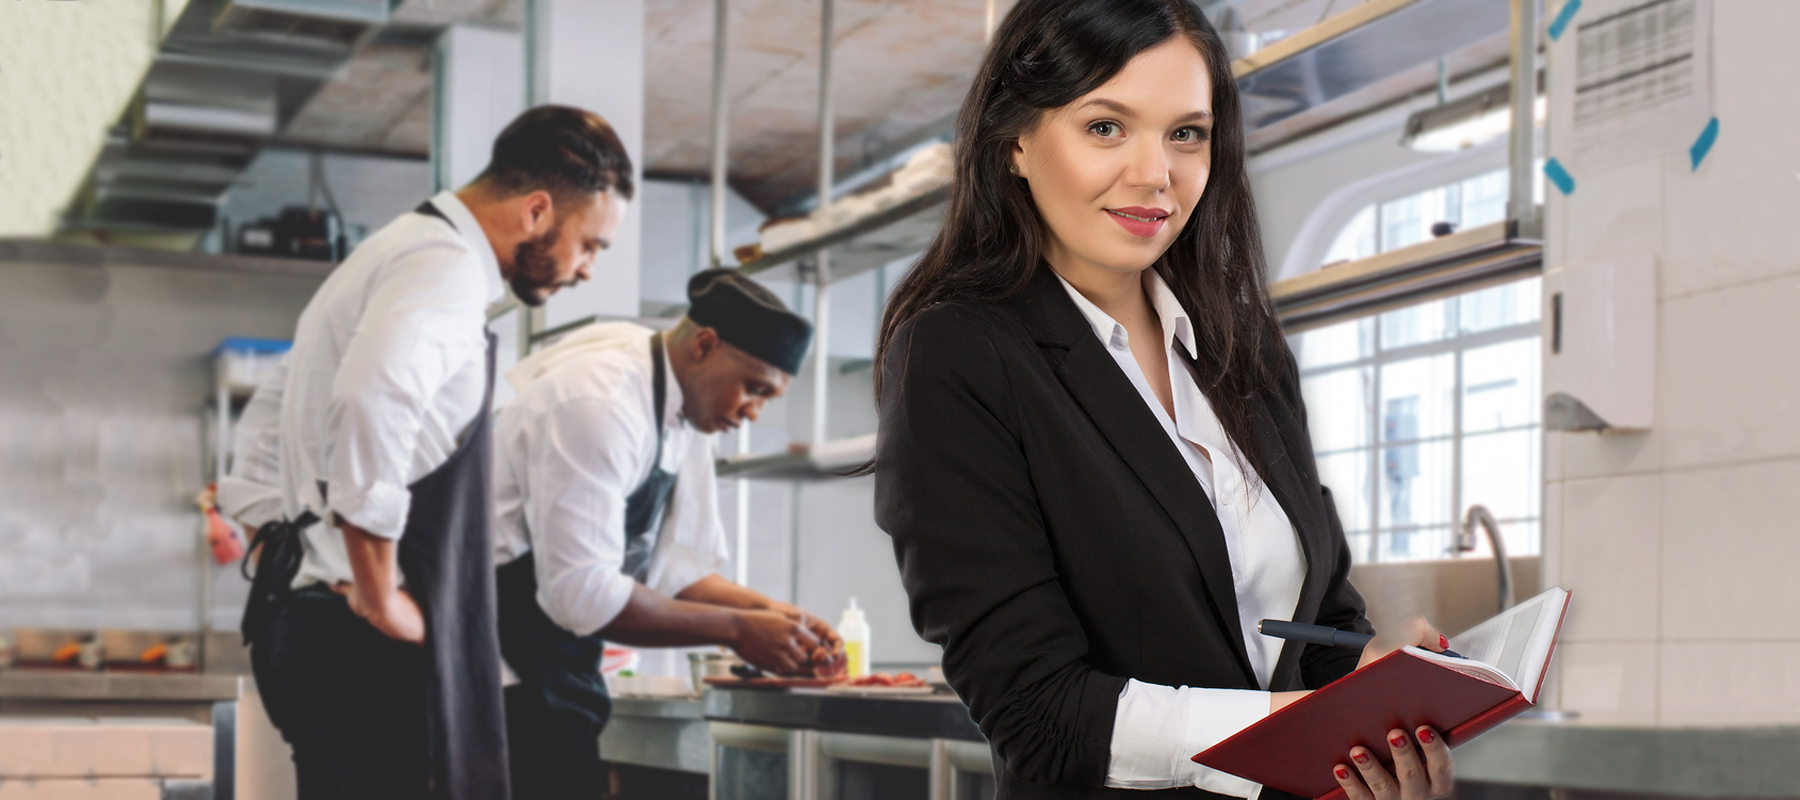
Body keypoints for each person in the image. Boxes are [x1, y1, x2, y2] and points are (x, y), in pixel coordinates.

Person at [869, 2, 1456, 799]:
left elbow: (1321, 627)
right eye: (1106, 127)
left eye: (1186, 133)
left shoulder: (1246, 353)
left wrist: (1375, 695)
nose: (1155, 174)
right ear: (1014, 142)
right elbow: (1038, 713)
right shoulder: (959, 354)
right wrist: (1292, 730)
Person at [256, 104, 634, 800]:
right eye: (591, 244)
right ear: (538, 210)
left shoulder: (389, 251)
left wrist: (288, 550)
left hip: (308, 624)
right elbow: (374, 400)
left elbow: (263, 418)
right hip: (356, 643)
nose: (586, 271)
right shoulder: (445, 268)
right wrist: (380, 597)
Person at [492, 268, 841, 800]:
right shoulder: (601, 402)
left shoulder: (684, 408)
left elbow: (674, 569)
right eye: (753, 388)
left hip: (557, 661)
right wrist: (738, 630)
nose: (753, 412)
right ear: (705, 344)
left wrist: (772, 615)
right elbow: (581, 594)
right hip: (501, 666)